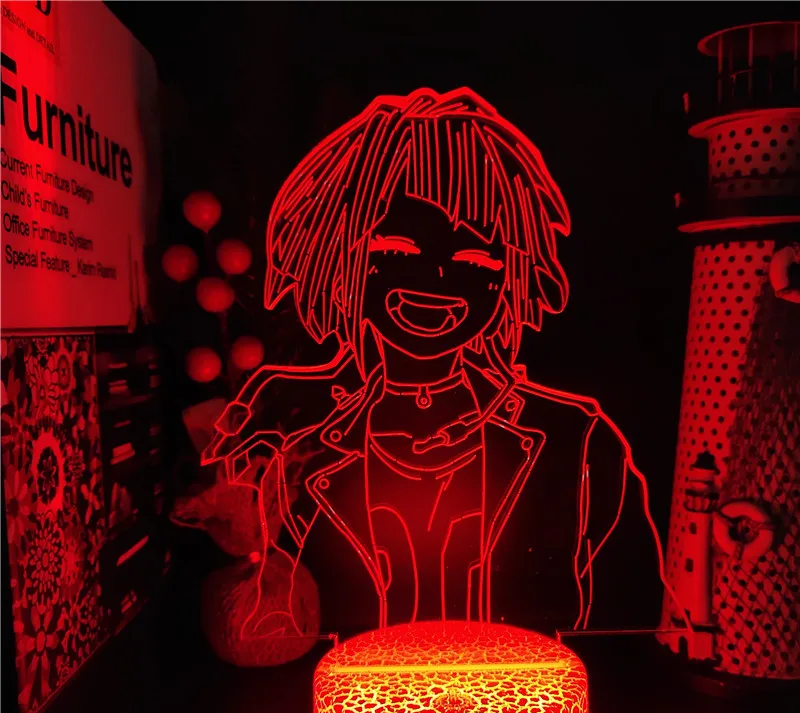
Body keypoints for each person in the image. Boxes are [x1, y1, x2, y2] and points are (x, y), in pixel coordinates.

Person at [203, 87, 684, 639]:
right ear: (338, 256)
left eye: (476, 260)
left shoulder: (577, 444)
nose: (436, 281)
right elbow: (254, 606)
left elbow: (635, 625)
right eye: (395, 252)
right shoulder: (290, 435)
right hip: (348, 694)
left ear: (511, 276)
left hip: (524, 695)